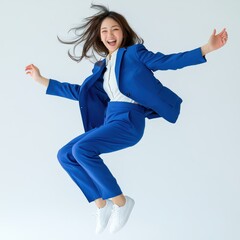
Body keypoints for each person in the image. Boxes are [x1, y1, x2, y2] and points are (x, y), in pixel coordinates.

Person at [25, 4, 228, 234]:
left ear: (123, 32)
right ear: (99, 37)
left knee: (82, 149)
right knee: (65, 155)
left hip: (129, 120)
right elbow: (81, 92)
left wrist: (206, 49)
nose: (110, 35)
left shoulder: (134, 54)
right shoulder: (101, 68)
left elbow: (166, 61)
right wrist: (42, 80)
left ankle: (121, 202)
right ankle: (102, 204)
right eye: (104, 31)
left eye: (115, 29)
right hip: (111, 120)